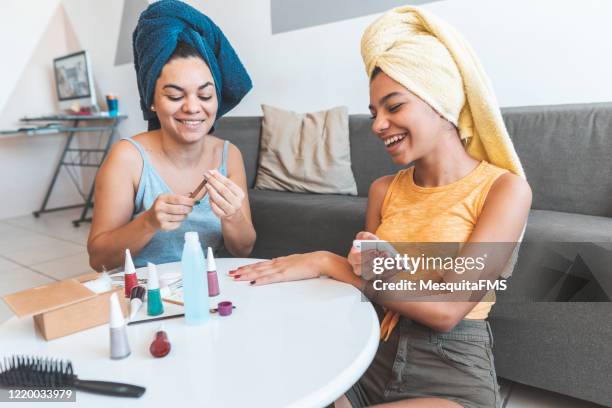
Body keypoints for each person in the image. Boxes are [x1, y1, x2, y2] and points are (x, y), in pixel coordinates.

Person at [232, 6, 531, 408]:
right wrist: (340, 269)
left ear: (440, 101)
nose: (377, 124)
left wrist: (326, 261)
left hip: (450, 371)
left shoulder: (504, 190)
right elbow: (370, 290)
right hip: (370, 356)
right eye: (375, 112)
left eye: (394, 106)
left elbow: (447, 308)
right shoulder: (382, 190)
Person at [88, 0, 255, 270]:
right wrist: (149, 222)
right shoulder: (128, 159)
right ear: (151, 101)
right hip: (147, 295)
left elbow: (243, 249)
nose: (192, 107)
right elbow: (98, 260)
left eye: (205, 95)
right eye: (175, 95)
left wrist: (233, 215)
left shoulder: (228, 155)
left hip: (211, 290)